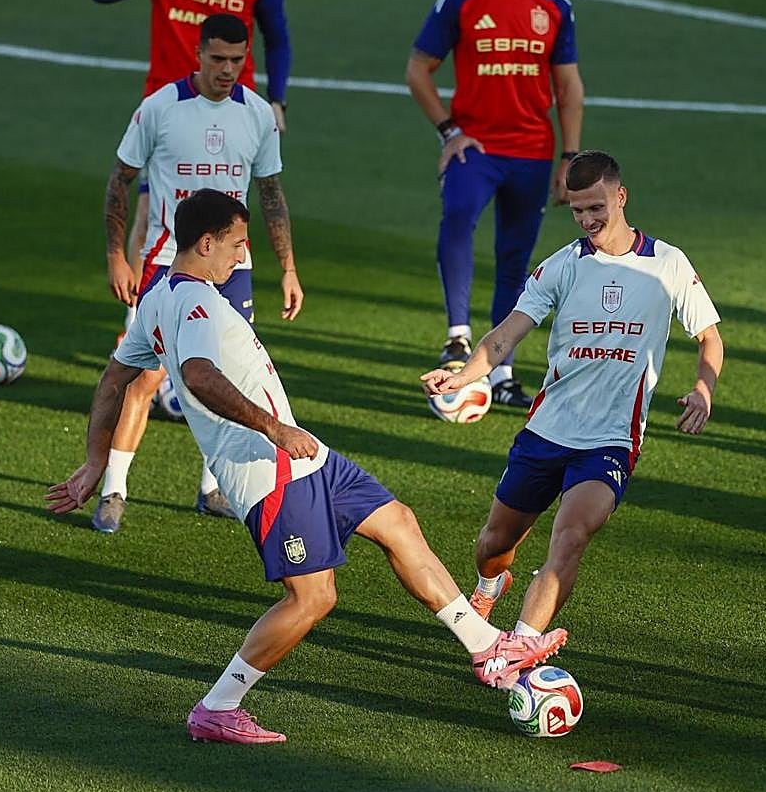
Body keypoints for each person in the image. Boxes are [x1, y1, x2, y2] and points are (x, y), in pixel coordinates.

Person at [47, 190, 569, 743]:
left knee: (397, 521)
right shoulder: (196, 303)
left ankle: (487, 647)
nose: (243, 255)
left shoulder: (157, 298)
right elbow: (199, 376)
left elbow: (113, 380)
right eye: (237, 244)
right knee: (313, 597)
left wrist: (94, 462)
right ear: (206, 243)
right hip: (265, 468)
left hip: (304, 456)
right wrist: (274, 429)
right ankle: (218, 708)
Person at [422, 151, 723, 636]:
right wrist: (464, 375)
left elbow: (709, 336)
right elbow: (506, 334)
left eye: (596, 208)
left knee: (571, 535)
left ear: (620, 197)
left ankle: (519, 647)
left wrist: (702, 390)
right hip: (547, 430)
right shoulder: (562, 266)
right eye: (578, 211)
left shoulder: (668, 264)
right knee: (494, 543)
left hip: (610, 440)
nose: (588, 220)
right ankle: (489, 586)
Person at [93, 13, 304, 533]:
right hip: (167, 268)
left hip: (234, 271)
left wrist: (289, 269)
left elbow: (271, 195)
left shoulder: (257, 114)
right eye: (218, 59)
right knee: (145, 377)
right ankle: (113, 489)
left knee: (227, 380)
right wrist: (118, 255)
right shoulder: (160, 108)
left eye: (237, 59)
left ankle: (212, 490)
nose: (228, 69)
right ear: (198, 54)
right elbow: (120, 181)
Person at [406, 0, 585, 408]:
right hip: (475, 150)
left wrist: (570, 157)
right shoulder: (459, 2)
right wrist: (449, 132)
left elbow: (568, 84)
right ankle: (457, 338)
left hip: (533, 153)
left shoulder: (555, 6)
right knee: (458, 217)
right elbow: (418, 69)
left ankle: (502, 374)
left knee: (515, 258)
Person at [92, 0, 292, 276]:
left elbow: (276, 36)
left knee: (229, 213)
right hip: (169, 106)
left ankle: (225, 294)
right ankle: (141, 310)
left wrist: (276, 98)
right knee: (152, 212)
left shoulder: (253, 110)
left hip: (233, 108)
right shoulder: (158, 107)